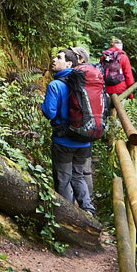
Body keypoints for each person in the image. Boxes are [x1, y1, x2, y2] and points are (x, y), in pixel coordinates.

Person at [41, 49, 95, 215]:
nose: (54, 60)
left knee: (63, 180)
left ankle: (67, 216)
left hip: (63, 142)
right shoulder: (85, 83)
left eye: (59, 57)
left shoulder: (55, 85)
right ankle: (89, 211)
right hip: (85, 140)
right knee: (78, 176)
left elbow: (49, 112)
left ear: (69, 64)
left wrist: (43, 106)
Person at [101, 38, 135, 126]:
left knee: (107, 113)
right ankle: (115, 134)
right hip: (120, 89)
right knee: (119, 113)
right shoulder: (123, 57)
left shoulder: (104, 57)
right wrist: (130, 94)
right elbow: (129, 77)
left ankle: (106, 133)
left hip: (106, 90)